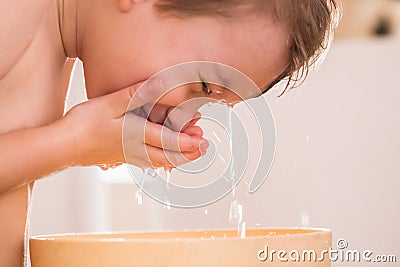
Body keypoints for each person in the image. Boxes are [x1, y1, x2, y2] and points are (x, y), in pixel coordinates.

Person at [0, 0, 340, 265]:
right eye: (202, 86)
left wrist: (81, 144)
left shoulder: (51, 42)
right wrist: (72, 143)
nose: (182, 116)